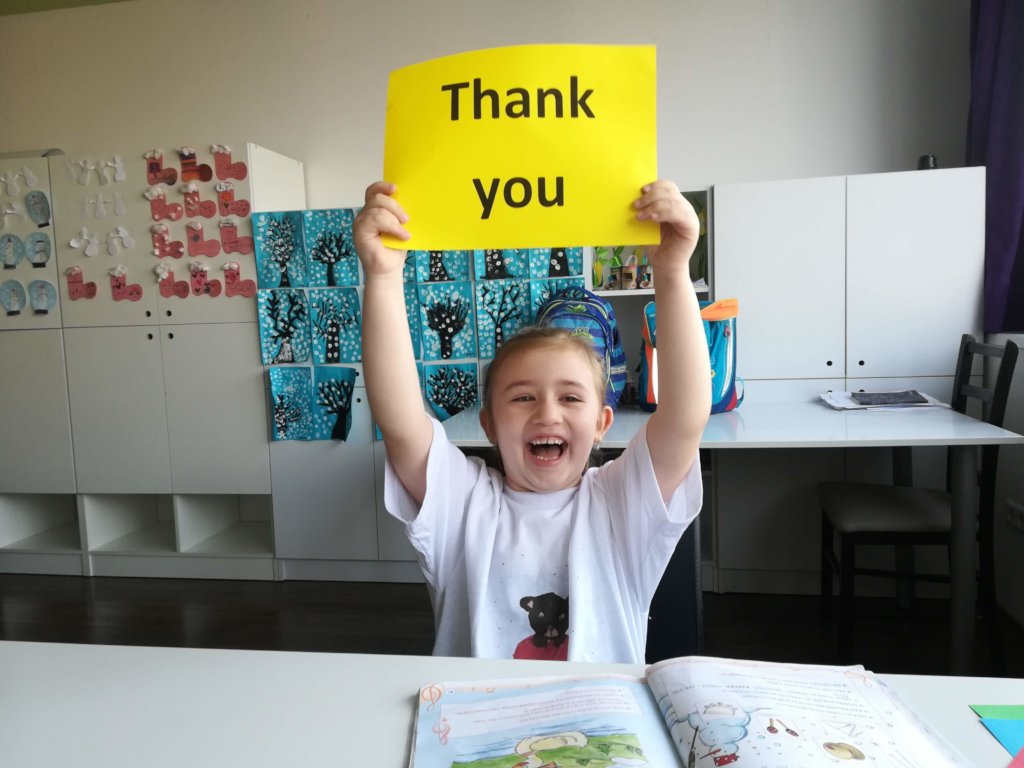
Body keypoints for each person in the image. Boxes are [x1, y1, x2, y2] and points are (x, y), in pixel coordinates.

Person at [354, 180, 710, 663]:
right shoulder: (463, 504)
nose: (547, 412)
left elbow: (685, 418)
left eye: (570, 397)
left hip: (599, 727)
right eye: (523, 397)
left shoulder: (619, 504)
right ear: (489, 425)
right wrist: (381, 276)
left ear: (602, 421)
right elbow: (398, 421)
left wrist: (670, 271)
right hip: (478, 728)